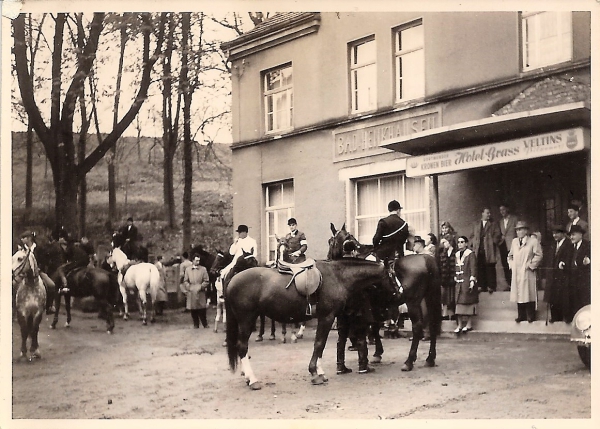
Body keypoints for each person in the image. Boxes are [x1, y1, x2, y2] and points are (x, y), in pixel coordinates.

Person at [336, 240, 375, 375]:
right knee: (360, 335)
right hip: (357, 307)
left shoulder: (337, 266)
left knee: (341, 337)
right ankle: (363, 365)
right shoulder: (359, 265)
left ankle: (340, 366)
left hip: (341, 307)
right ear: (353, 251)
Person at [508, 221, 543, 323]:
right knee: (519, 293)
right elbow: (510, 255)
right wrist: (512, 264)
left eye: (521, 229)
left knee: (528, 292)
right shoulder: (514, 242)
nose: (518, 232)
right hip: (517, 271)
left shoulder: (533, 241)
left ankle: (531, 315)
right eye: (517, 230)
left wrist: (531, 265)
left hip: (527, 270)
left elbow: (539, 255)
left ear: (526, 230)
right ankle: (521, 315)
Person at [543, 225, 574, 323]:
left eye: (557, 233)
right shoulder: (553, 245)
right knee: (553, 296)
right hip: (553, 276)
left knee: (563, 297)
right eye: (553, 233)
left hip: (563, 275)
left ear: (563, 234)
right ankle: (555, 316)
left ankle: (565, 317)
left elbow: (569, 258)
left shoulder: (569, 244)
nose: (554, 235)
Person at [470, 207, 501, 294]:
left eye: (489, 213)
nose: (489, 215)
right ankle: (481, 286)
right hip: (478, 249)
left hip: (489, 249)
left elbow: (497, 234)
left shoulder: (493, 224)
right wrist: (473, 244)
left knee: (490, 267)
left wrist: (492, 242)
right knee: (479, 267)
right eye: (487, 213)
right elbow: (472, 235)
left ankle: (491, 286)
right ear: (482, 213)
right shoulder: (476, 224)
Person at [372, 200, 409, 266]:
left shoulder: (383, 222)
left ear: (389, 210)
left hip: (384, 255)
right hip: (399, 254)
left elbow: (376, 239)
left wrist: (376, 248)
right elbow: (403, 240)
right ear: (398, 210)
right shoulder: (404, 224)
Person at [454, 236, 478, 333]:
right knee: (458, 305)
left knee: (468, 303)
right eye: (458, 242)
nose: (460, 244)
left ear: (466, 243)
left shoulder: (470, 254)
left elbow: (473, 267)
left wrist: (472, 280)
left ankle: (469, 324)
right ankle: (459, 325)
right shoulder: (456, 255)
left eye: (462, 242)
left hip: (467, 282)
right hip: (459, 283)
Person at [181, 254, 210, 329]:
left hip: (200, 291)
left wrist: (201, 287)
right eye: (196, 260)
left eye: (199, 260)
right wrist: (189, 287)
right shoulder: (188, 270)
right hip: (191, 291)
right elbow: (185, 281)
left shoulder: (203, 269)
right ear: (193, 260)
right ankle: (195, 324)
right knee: (193, 309)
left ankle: (205, 323)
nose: (198, 262)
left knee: (202, 309)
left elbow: (206, 280)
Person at [568, 224, 591, 316]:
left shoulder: (587, 245)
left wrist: (587, 261)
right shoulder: (571, 247)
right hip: (573, 280)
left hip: (584, 281)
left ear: (580, 235)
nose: (571, 237)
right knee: (575, 303)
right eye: (570, 235)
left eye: (573, 235)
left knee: (584, 304)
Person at [498, 203, 518, 287]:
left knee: (513, 264)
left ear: (507, 209)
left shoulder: (514, 219)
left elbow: (517, 231)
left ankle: (515, 284)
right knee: (505, 264)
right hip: (503, 244)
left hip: (512, 244)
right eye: (500, 210)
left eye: (503, 209)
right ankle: (509, 284)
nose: (502, 212)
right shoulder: (500, 221)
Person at [439, 236, 457, 321]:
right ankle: (445, 314)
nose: (444, 244)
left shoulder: (456, 253)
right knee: (444, 297)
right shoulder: (442, 254)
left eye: (445, 242)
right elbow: (440, 266)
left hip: (453, 278)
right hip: (444, 278)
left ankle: (453, 313)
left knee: (453, 297)